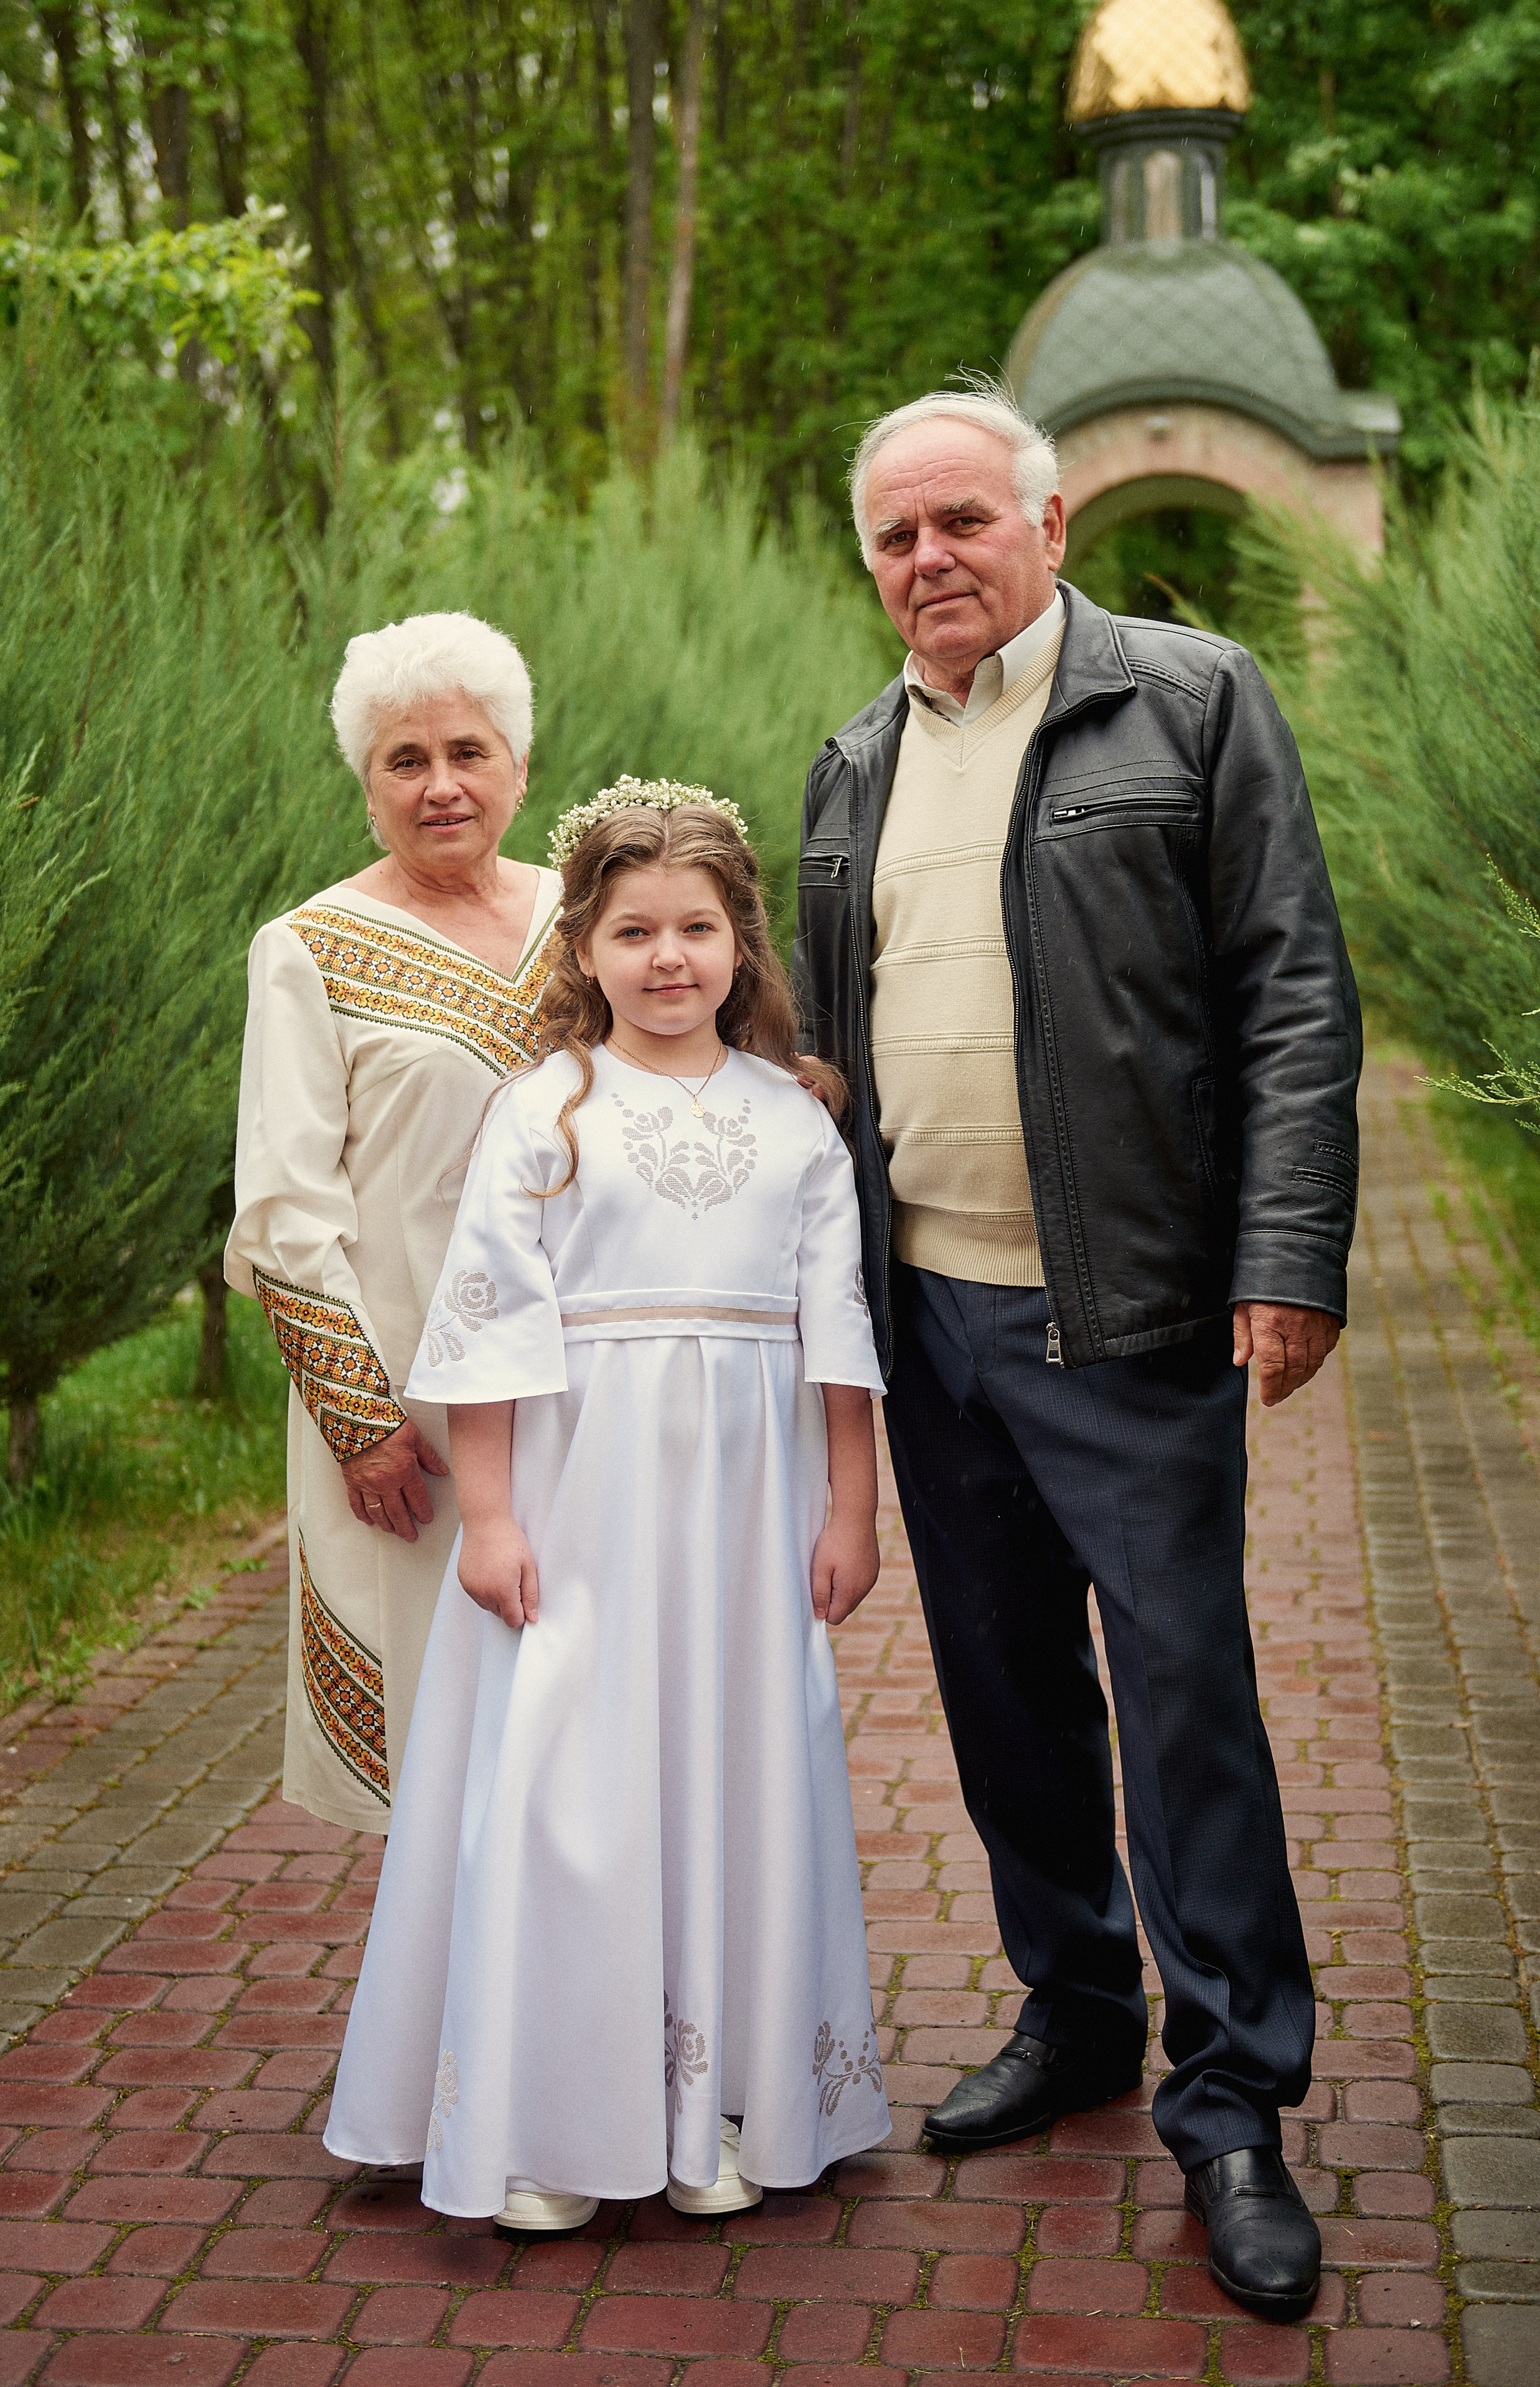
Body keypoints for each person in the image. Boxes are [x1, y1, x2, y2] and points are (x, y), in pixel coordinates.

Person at [792, 383, 1363, 2322]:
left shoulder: (1191, 702)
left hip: (1124, 1310)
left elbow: (1293, 989)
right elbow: (833, 1044)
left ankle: (1234, 2099)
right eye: (895, 535)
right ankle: (1078, 2004)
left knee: (1186, 1699)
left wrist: (1286, 1251)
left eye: (962, 519)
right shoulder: (851, 760)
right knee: (1006, 1690)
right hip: (928, 1311)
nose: (929, 557)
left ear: (1049, 526)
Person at [324, 781, 891, 2229]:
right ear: (581, 946)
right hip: (577, 1506)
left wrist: (852, 1507)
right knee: (566, 1789)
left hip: (745, 1514)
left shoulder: (793, 1120)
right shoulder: (543, 1112)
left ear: (739, 943)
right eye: (632, 930)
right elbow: (486, 1331)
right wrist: (490, 1518)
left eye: (694, 928)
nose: (665, 958)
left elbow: (835, 1328)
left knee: (729, 1775)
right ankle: (549, 2121)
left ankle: (714, 2103)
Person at [226, 612, 561, 1830]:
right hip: (410, 1410)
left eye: (468, 752)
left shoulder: (587, 918)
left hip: (587, 1387)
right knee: (442, 1734)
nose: (441, 786)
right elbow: (282, 1208)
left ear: (518, 765)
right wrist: (360, 1423)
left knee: (581, 1720)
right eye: (404, 761)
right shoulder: (308, 950)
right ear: (367, 789)